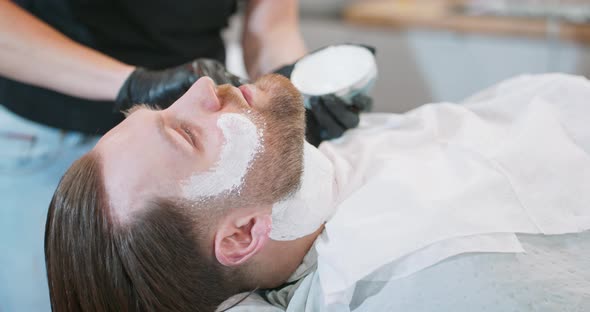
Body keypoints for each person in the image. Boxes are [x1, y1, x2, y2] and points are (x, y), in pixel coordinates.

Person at [45, 73, 590, 311]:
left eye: (162, 108)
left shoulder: (319, 172)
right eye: (186, 134)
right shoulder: (444, 280)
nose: (202, 88)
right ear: (242, 235)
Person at [0, 0, 365, 146]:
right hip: (45, 129)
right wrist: (130, 84)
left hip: (190, 123)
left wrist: (296, 91)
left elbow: (271, 27)